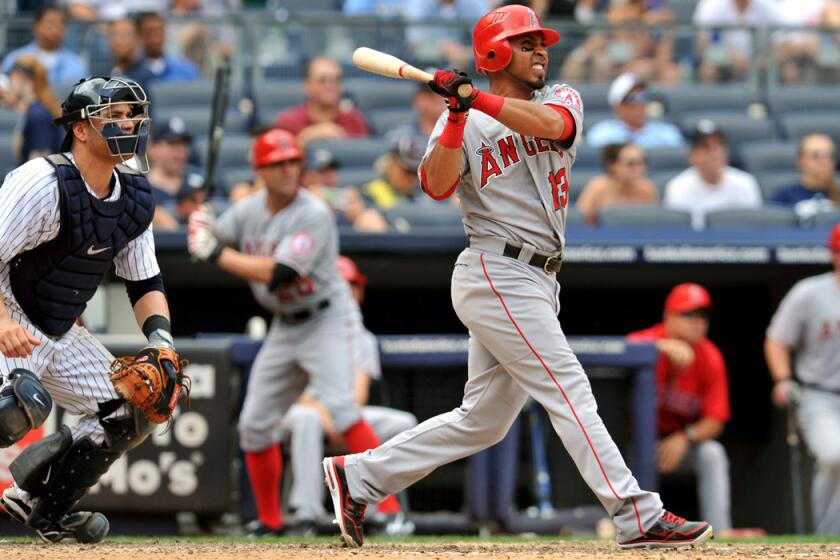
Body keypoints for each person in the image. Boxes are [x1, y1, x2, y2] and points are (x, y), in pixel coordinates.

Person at [321, 5, 712, 549]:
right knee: (568, 388)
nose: (540, 51)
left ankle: (359, 477)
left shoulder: (560, 97)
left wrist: (473, 99)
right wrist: (456, 116)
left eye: (539, 42)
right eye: (526, 43)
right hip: (494, 268)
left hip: (537, 278)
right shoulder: (461, 118)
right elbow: (435, 185)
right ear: (494, 54)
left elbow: (555, 129)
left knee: (482, 421)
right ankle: (635, 514)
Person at [187, 128, 400, 536]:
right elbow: (216, 234)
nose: (288, 170)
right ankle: (270, 520)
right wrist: (202, 224)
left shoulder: (313, 212)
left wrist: (214, 251)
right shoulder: (249, 210)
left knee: (343, 410)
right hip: (284, 325)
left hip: (326, 317)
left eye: (292, 162)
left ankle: (388, 510)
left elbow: (278, 274)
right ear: (260, 170)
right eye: (277, 164)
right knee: (254, 425)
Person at [0, 76, 180, 543]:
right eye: (114, 116)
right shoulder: (41, 181)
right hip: (7, 314)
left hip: (58, 330)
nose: (129, 124)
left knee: (133, 406)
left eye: (133, 115)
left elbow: (145, 281)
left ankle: (42, 506)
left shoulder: (136, 196)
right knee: (15, 410)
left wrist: (161, 342)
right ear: (80, 129)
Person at [281, 256, 417, 535]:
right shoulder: (304, 330)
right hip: (303, 412)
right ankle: (306, 514)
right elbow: (294, 394)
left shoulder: (363, 338)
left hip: (342, 412)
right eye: (342, 286)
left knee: (404, 423)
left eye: (353, 286)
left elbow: (359, 393)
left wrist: (343, 418)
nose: (348, 292)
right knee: (307, 419)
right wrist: (329, 416)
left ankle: (384, 513)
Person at [627, 283, 732, 534]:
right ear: (668, 317)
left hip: (676, 443)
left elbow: (715, 420)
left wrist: (686, 437)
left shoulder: (710, 357)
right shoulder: (649, 340)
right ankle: (627, 527)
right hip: (632, 445)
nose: (697, 322)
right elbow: (615, 350)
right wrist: (657, 348)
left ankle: (721, 532)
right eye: (688, 315)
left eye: (702, 316)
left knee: (712, 454)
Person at [764, 223, 840, 536]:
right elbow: (777, 339)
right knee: (835, 457)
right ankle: (829, 538)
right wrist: (783, 378)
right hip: (819, 395)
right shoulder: (810, 292)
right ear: (834, 254)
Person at [663, 120, 761, 230]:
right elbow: (680, 233)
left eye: (719, 146)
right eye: (706, 148)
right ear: (691, 155)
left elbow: (752, 228)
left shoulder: (745, 183)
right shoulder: (678, 187)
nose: (715, 153)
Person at [274, 57, 370, 147]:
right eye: (322, 80)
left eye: (336, 80)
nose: (331, 86)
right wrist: (304, 140)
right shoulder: (288, 123)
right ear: (307, 85)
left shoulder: (354, 119)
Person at [693, 0, 784, 83]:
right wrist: (728, 56)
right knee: (708, 70)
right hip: (723, 64)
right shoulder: (711, 5)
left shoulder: (769, 6)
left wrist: (764, 60)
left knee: (789, 71)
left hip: (761, 65)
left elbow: (784, 43)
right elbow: (703, 45)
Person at [586, 73, 684, 149]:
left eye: (644, 96)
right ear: (617, 106)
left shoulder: (667, 133)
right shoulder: (602, 135)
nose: (640, 103)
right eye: (632, 98)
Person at [1, 7, 88, 85]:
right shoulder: (15, 59)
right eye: (51, 22)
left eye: (62, 23)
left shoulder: (76, 63)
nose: (57, 27)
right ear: (36, 26)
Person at [575, 142, 657, 224]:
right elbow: (582, 222)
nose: (639, 169)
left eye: (641, 163)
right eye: (630, 164)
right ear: (613, 166)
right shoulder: (597, 188)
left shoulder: (647, 188)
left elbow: (653, 223)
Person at [146, 116, 205, 230]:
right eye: (173, 144)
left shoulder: (200, 181)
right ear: (153, 148)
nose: (180, 150)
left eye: (183, 144)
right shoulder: (138, 187)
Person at [5, 56, 64, 165]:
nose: (10, 85)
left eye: (11, 79)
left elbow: (39, 161)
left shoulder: (38, 114)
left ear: (20, 78)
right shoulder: (35, 110)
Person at [772, 134, 839, 220]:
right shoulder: (784, 195)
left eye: (829, 156)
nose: (824, 162)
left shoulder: (837, 192)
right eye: (816, 156)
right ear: (800, 160)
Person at [363, 133, 427, 210]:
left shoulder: (423, 197)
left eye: (416, 172)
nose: (413, 178)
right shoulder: (371, 195)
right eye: (408, 171)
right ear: (392, 164)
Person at [135, 12, 201, 82]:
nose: (156, 37)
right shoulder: (130, 70)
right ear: (139, 36)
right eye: (150, 31)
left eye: (160, 30)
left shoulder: (186, 69)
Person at [108, 17, 155, 88]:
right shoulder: (102, 74)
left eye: (124, 35)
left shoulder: (146, 77)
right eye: (113, 35)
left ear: (138, 39)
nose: (118, 41)